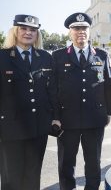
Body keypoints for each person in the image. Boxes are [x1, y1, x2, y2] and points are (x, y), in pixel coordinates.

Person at [52, 12, 111, 190]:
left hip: (94, 118)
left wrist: (108, 112)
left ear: (89, 31)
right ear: (70, 32)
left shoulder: (102, 55)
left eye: (84, 28)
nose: (81, 32)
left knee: (94, 163)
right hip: (67, 120)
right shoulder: (58, 56)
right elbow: (53, 90)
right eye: (76, 28)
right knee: (66, 164)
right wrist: (55, 116)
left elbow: (109, 85)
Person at [0, 15, 57, 189]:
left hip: (38, 127)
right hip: (10, 128)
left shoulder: (45, 57)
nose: (28, 33)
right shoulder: (2, 57)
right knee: (11, 177)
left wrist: (55, 117)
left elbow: (52, 90)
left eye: (32, 30)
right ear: (16, 31)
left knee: (33, 174)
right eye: (23, 29)